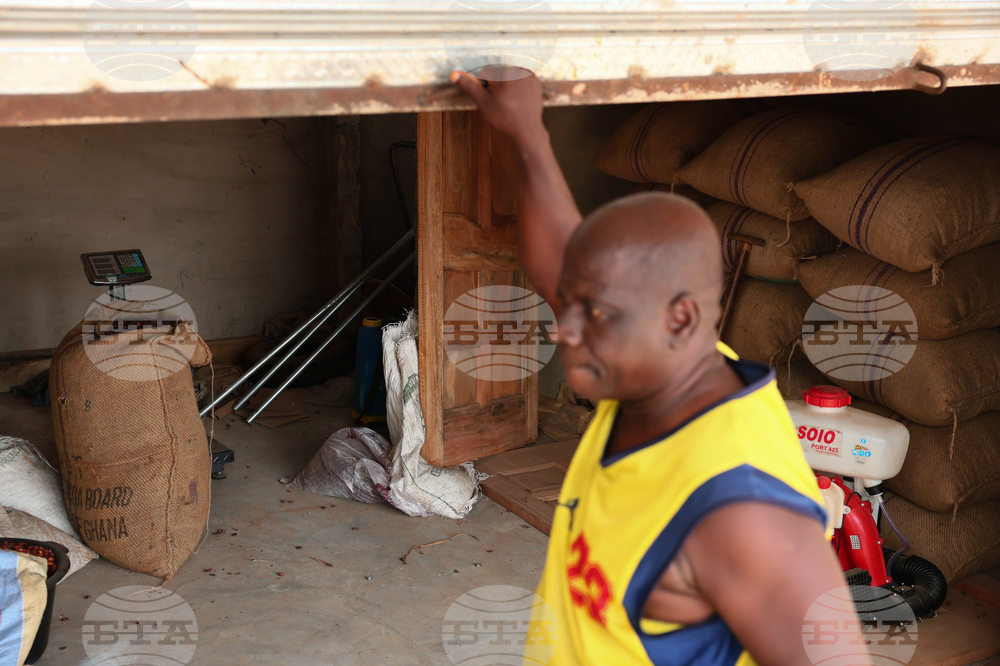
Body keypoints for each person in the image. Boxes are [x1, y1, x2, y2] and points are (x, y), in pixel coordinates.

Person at [449, 68, 866, 666]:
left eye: (593, 313)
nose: (561, 327)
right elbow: (563, 267)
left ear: (678, 319)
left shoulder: (739, 513)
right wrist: (528, 136)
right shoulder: (663, 372)